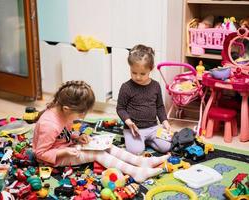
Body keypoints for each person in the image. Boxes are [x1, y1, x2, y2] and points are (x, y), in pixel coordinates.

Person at [33, 80, 169, 183]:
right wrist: (65, 151)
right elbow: (40, 153)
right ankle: (136, 173)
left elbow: (62, 134)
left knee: (105, 146)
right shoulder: (49, 125)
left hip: (66, 147)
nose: (82, 118)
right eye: (81, 114)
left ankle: (141, 162)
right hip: (53, 159)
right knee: (98, 154)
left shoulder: (64, 113)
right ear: (67, 108)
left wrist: (76, 137)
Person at [117, 44, 172, 155]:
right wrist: (128, 122)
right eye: (134, 72)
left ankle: (147, 140)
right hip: (134, 129)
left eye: (142, 74)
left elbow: (159, 106)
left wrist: (165, 122)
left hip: (153, 127)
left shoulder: (155, 85)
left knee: (167, 147)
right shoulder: (126, 87)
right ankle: (141, 141)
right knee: (136, 151)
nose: (137, 77)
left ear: (150, 69)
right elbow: (120, 108)